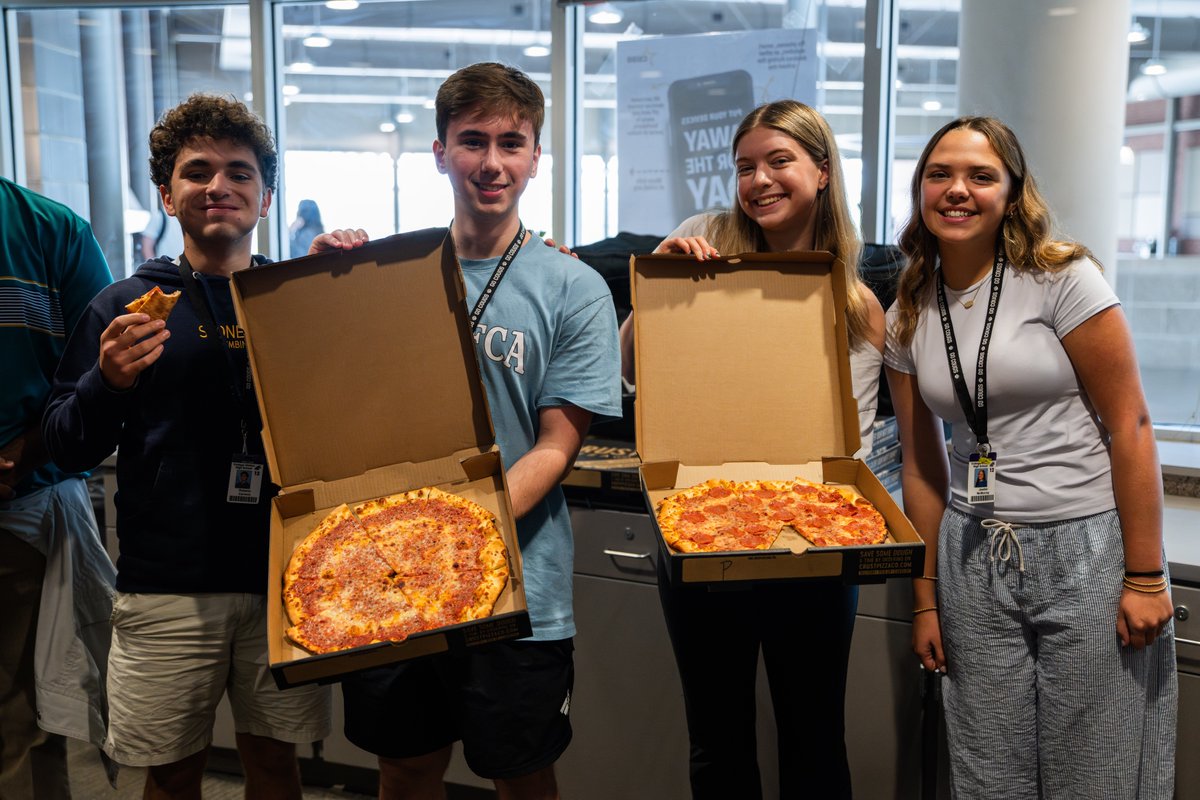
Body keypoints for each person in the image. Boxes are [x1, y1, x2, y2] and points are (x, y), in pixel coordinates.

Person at [43, 94, 361, 800]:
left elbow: (361, 406)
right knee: (172, 773)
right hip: (168, 586)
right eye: (197, 171)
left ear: (267, 196)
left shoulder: (296, 303)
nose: (219, 186)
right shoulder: (125, 307)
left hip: (290, 579)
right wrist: (109, 381)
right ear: (167, 193)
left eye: (240, 173)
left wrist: (350, 283)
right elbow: (64, 444)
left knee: (277, 767)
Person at [339, 62, 621, 799]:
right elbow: (339, 407)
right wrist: (328, 282)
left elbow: (557, 445)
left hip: (518, 586)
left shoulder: (574, 287)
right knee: (405, 765)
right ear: (440, 152)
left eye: (511, 142)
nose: (492, 163)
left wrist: (458, 530)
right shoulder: (387, 272)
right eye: (471, 141)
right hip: (392, 576)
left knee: (520, 772)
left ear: (534, 157)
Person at [884, 116, 1176, 799]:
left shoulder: (1061, 279)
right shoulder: (910, 307)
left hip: (1085, 548)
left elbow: (1130, 425)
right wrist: (925, 602)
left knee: (1092, 771)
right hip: (971, 552)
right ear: (920, 190)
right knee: (989, 768)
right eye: (939, 174)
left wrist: (1145, 575)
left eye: (981, 176)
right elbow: (921, 467)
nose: (958, 190)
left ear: (1013, 194)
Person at [618, 100, 886, 799]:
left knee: (815, 739)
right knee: (717, 740)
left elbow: (836, 445)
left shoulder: (855, 302)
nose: (758, 180)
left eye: (778, 162)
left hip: (812, 539)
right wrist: (657, 289)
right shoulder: (703, 238)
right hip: (700, 526)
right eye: (745, 167)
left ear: (822, 172)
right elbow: (632, 374)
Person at [1, 177, 115, 799]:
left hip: (22, 509)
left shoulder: (49, 230)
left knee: (26, 718)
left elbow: (97, 379)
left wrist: (26, 451)